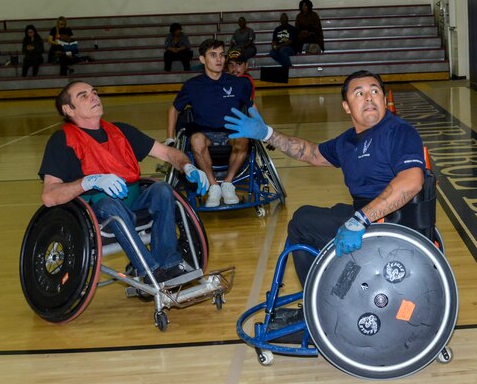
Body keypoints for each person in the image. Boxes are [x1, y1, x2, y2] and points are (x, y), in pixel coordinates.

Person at [224, 70, 425, 285]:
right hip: (366, 215)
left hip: (391, 222)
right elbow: (311, 153)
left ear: (384, 100)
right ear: (346, 106)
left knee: (302, 225)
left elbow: (412, 181)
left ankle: (315, 297)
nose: (368, 97)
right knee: (305, 213)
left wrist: (360, 220)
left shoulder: (399, 131)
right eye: (359, 93)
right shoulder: (348, 140)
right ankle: (333, 287)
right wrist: (267, 134)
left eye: (375, 91)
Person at [39, 81, 210, 282]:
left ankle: (170, 264)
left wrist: (188, 166)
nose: (94, 96)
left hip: (134, 203)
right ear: (68, 109)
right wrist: (89, 181)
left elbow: (167, 153)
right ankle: (149, 270)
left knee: (163, 189)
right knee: (110, 204)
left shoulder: (120, 131)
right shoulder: (61, 141)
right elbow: (49, 196)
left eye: (94, 92)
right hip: (96, 213)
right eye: (83, 96)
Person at [167, 39, 253, 208]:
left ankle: (228, 184)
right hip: (205, 133)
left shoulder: (238, 83)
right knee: (196, 140)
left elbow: (252, 107)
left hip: (231, 133)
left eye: (221, 55)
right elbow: (174, 109)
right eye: (213, 55)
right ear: (202, 59)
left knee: (243, 136)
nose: (219, 59)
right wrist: (170, 138)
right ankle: (213, 186)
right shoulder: (192, 85)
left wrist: (263, 129)